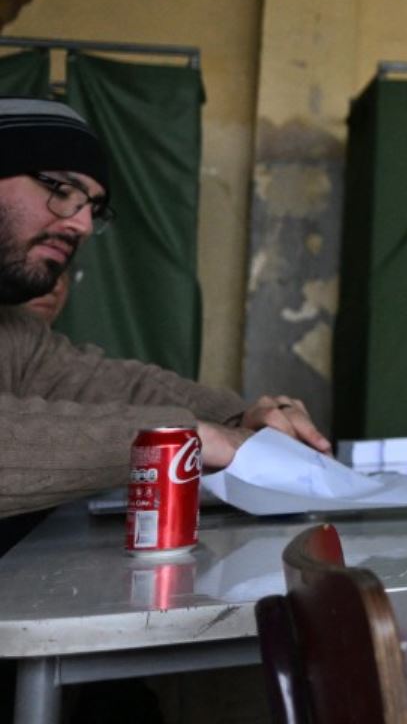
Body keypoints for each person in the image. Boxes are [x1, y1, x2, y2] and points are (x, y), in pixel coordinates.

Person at [0, 98, 331, 521]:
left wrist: (243, 418)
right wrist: (191, 437)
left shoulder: (16, 334)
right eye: (61, 191)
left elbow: (112, 385)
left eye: (93, 209)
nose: (81, 225)